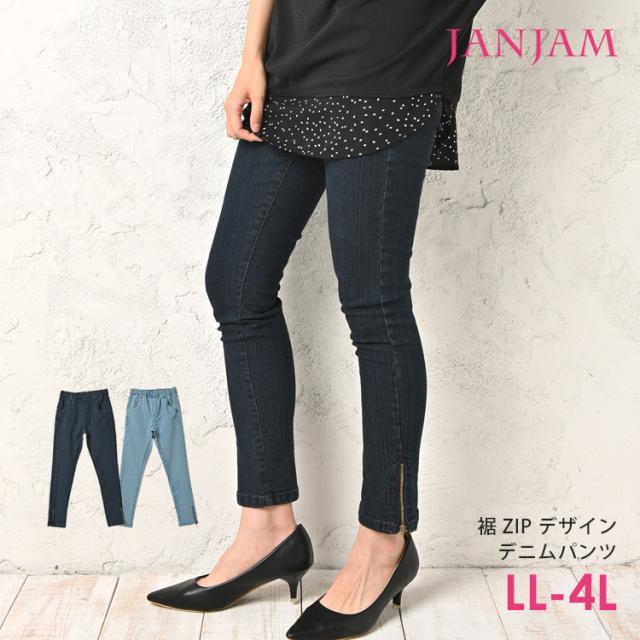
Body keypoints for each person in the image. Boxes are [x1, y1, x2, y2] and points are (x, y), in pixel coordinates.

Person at [147, 1, 486, 637]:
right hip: (295, 56)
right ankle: (267, 528)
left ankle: (385, 540)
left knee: (373, 302)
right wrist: (252, 55)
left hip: (389, 60)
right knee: (237, 285)